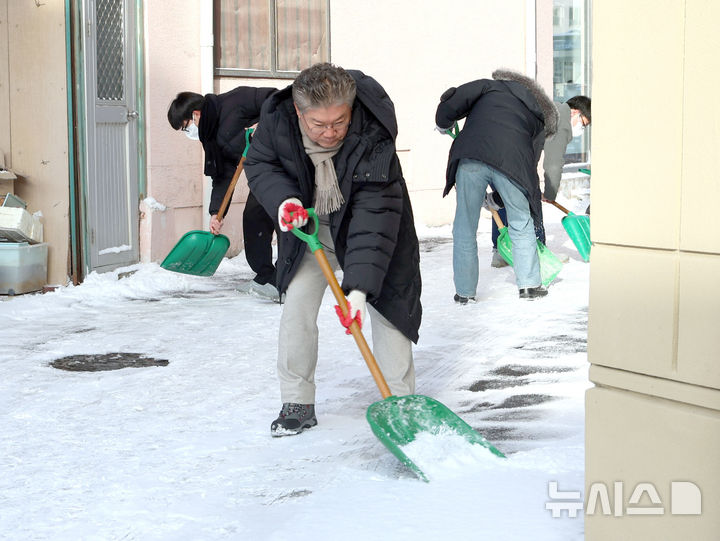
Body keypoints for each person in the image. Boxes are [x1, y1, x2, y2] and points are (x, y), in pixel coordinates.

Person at [244, 63, 422, 436]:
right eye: (318, 125)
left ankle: (401, 402)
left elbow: (374, 215)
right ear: (298, 112)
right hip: (310, 229)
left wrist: (357, 290)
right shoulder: (277, 121)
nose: (329, 133)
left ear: (351, 109)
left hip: (370, 229)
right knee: (297, 310)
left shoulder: (374, 135)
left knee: (389, 311)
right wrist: (283, 200)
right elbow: (261, 163)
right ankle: (297, 401)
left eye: (338, 123)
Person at [435, 69, 558, 302]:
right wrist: (501, 198)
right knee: (521, 223)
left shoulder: (489, 87)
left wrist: (443, 123)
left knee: (464, 227)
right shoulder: (538, 117)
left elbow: (451, 103)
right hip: (512, 162)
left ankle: (464, 293)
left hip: (472, 155)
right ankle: (530, 286)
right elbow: (526, 171)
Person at [167, 87, 280, 300]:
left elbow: (275, 97)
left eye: (185, 127)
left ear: (196, 114)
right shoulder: (211, 138)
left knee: (283, 219)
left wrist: (264, 123)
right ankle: (266, 276)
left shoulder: (235, 100)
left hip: (285, 161)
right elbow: (223, 175)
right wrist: (216, 213)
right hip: (263, 171)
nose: (188, 133)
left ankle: (285, 280)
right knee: (254, 219)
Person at [487, 95, 591, 266]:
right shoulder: (561, 121)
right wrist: (550, 192)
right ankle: (539, 251)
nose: (582, 129)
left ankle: (500, 252)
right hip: (511, 157)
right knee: (530, 197)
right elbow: (553, 163)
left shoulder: (548, 109)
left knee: (502, 198)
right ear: (575, 112)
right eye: (583, 124)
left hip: (493, 150)